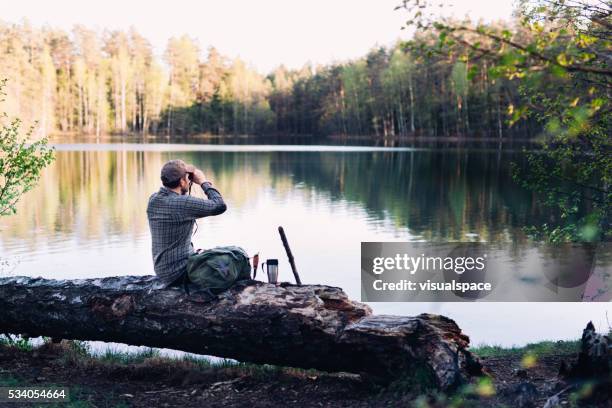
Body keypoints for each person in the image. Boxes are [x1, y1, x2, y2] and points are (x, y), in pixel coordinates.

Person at [147, 159, 227, 287]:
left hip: (163, 271)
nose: (190, 180)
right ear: (182, 181)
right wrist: (203, 182)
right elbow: (220, 206)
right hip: (179, 272)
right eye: (187, 177)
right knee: (231, 258)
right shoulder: (182, 203)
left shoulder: (153, 199)